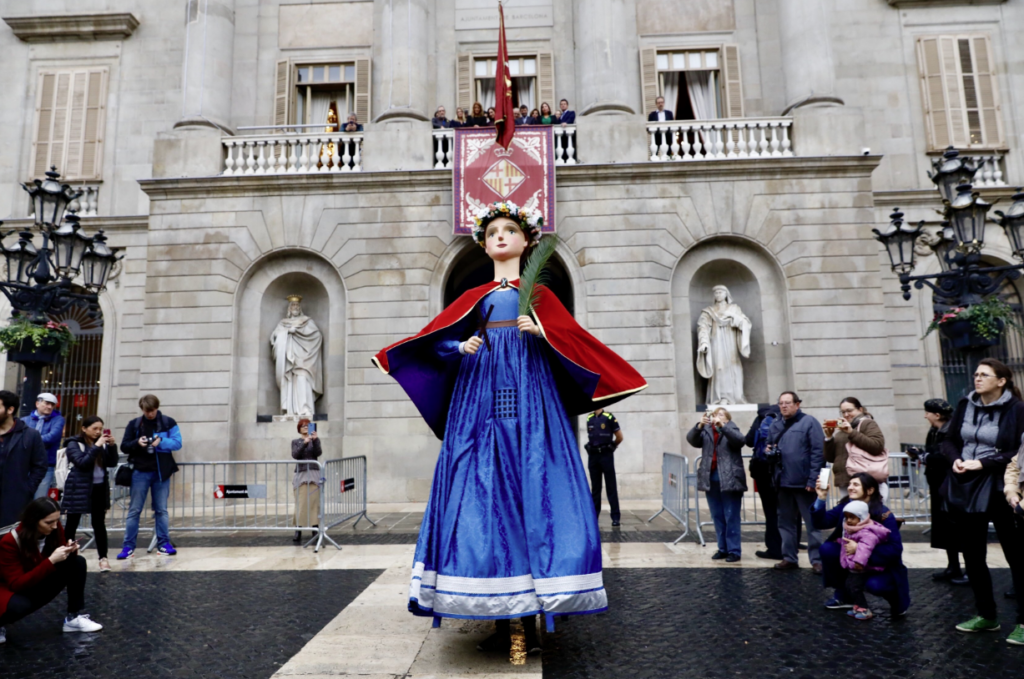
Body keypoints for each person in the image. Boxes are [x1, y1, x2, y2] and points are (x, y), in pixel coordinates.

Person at [372, 200, 647, 648]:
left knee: (534, 490)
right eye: (492, 231)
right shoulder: (472, 298)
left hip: (531, 401)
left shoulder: (541, 296)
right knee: (480, 493)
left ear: (526, 241)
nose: (500, 236)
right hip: (478, 401)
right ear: (483, 243)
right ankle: (497, 606)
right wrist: (459, 347)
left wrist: (543, 333)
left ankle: (535, 609)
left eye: (509, 230)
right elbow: (434, 341)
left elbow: (575, 343)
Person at [940, 358, 1024, 643]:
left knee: (1017, 555)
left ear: (1001, 381)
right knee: (973, 554)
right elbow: (949, 440)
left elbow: (1018, 450)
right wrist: (956, 460)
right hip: (966, 485)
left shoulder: (1017, 409)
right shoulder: (965, 404)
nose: (977, 378)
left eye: (984, 375)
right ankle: (987, 616)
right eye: (975, 374)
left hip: (1002, 487)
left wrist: (985, 463)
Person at [0, 497, 104, 644]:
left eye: (57, 520)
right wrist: (51, 561)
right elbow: (16, 584)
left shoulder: (54, 529)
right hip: (10, 588)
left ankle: (73, 617)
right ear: (33, 521)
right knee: (18, 606)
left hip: (36, 578)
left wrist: (70, 550)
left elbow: (62, 557)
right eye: (49, 522)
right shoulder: (10, 541)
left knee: (77, 562)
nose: (55, 526)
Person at [812, 473, 910, 617]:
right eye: (850, 484)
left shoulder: (883, 514)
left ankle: (896, 600)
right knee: (828, 549)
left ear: (870, 490)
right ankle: (844, 594)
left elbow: (895, 549)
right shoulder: (846, 507)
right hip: (853, 563)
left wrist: (860, 549)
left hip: (879, 564)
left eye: (856, 485)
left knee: (874, 585)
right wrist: (821, 498)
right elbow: (822, 523)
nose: (850, 487)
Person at [117, 394, 183, 559]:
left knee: (161, 510)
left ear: (157, 408)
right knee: (134, 510)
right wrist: (137, 443)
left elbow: (177, 443)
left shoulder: (168, 422)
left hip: (161, 473)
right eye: (147, 411)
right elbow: (124, 446)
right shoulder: (134, 425)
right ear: (142, 409)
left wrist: (161, 441)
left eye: (152, 410)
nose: (150, 414)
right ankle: (128, 547)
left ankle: (164, 544)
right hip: (140, 472)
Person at [909, 398, 967, 585]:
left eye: (928, 412)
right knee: (944, 528)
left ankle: (967, 571)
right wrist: (921, 454)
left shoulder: (951, 432)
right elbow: (933, 454)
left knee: (956, 527)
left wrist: (924, 456)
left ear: (938, 415)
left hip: (950, 485)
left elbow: (945, 457)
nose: (925, 416)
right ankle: (953, 566)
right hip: (937, 484)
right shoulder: (935, 431)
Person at [768, 391, 825, 573]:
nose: (783, 406)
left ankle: (817, 560)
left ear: (797, 404)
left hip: (804, 483)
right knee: (785, 523)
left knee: (812, 524)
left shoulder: (810, 422)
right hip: (782, 482)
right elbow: (768, 447)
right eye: (781, 403)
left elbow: (818, 453)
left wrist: (812, 479)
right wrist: (768, 452)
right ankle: (789, 558)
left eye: (787, 403)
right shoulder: (775, 424)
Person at [687, 407, 746, 562]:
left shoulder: (731, 428)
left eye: (721, 414)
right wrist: (699, 426)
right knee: (717, 516)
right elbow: (692, 440)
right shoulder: (706, 431)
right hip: (711, 478)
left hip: (730, 479)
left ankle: (734, 550)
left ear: (727, 418)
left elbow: (740, 441)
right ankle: (723, 548)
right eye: (715, 415)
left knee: (731, 515)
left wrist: (723, 427)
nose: (716, 417)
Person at [61, 416, 119, 573]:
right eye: (94, 428)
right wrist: (97, 446)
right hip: (79, 488)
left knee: (99, 524)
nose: (98, 432)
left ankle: (103, 558)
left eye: (100, 429)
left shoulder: (101, 444)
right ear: (84, 428)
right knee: (72, 523)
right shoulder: (74, 444)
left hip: (99, 488)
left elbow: (112, 463)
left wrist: (112, 446)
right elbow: (82, 463)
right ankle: (68, 555)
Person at [837, 500, 892, 621]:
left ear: (861, 517)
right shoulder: (852, 528)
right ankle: (857, 606)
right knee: (849, 586)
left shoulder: (866, 532)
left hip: (860, 568)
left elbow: (865, 548)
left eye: (852, 517)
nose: (849, 520)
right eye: (847, 517)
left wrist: (859, 562)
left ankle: (864, 608)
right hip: (853, 565)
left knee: (856, 587)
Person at [0, 390, 48, 529]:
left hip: (14, 501)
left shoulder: (30, 435)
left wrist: (27, 489)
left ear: (10, 409)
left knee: (9, 543)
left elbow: (40, 465)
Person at [823, 397, 887, 499]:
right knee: (851, 513)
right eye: (843, 412)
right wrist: (829, 438)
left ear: (860, 410)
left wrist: (851, 432)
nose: (846, 415)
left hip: (866, 481)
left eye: (849, 411)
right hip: (846, 482)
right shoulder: (842, 430)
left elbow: (877, 446)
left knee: (869, 513)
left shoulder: (867, 423)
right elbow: (831, 458)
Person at [746, 404, 784, 560]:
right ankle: (791, 543)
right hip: (783, 471)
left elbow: (748, 441)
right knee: (788, 511)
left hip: (763, 471)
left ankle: (774, 548)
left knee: (770, 511)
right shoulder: (786, 419)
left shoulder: (761, 418)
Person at [585, 408, 623, 526]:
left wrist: (612, 447)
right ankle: (594, 516)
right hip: (593, 456)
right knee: (595, 488)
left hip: (606, 455)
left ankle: (615, 517)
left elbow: (619, 437)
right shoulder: (589, 418)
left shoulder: (609, 417)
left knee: (611, 487)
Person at [24, 393, 65, 499]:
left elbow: (52, 437)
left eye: (52, 404)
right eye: (47, 403)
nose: (50, 407)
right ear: (37, 403)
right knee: (21, 498)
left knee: (39, 499)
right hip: (23, 464)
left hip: (45, 464)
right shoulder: (24, 420)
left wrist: (30, 441)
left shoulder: (58, 420)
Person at [291, 418, 322, 543]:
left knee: (314, 503)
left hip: (313, 473)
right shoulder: (296, 441)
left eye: (307, 426)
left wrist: (314, 441)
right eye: (303, 426)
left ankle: (315, 529)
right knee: (301, 502)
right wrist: (305, 442)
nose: (305, 427)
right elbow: (295, 455)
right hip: (301, 474)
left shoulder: (315, 440)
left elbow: (318, 453)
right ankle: (298, 530)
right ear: (299, 428)